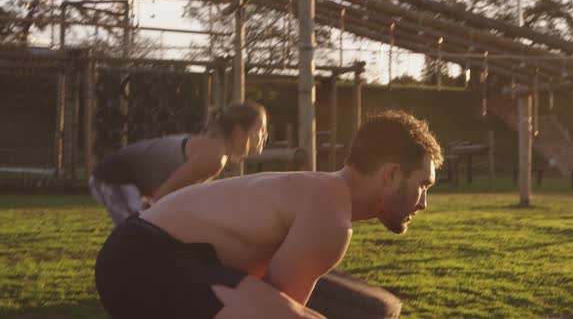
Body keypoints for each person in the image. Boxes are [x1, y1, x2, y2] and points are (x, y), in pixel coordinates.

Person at [94, 110, 443, 318]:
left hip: (156, 254)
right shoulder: (330, 214)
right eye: (423, 185)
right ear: (392, 174)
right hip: (141, 260)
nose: (423, 202)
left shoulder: (325, 194)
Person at [89, 101, 268, 227]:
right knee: (136, 230)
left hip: (123, 178)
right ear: (238, 133)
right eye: (260, 130)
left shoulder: (215, 149)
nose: (265, 136)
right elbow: (162, 196)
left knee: (142, 230)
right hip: (114, 177)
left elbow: (183, 197)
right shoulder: (214, 156)